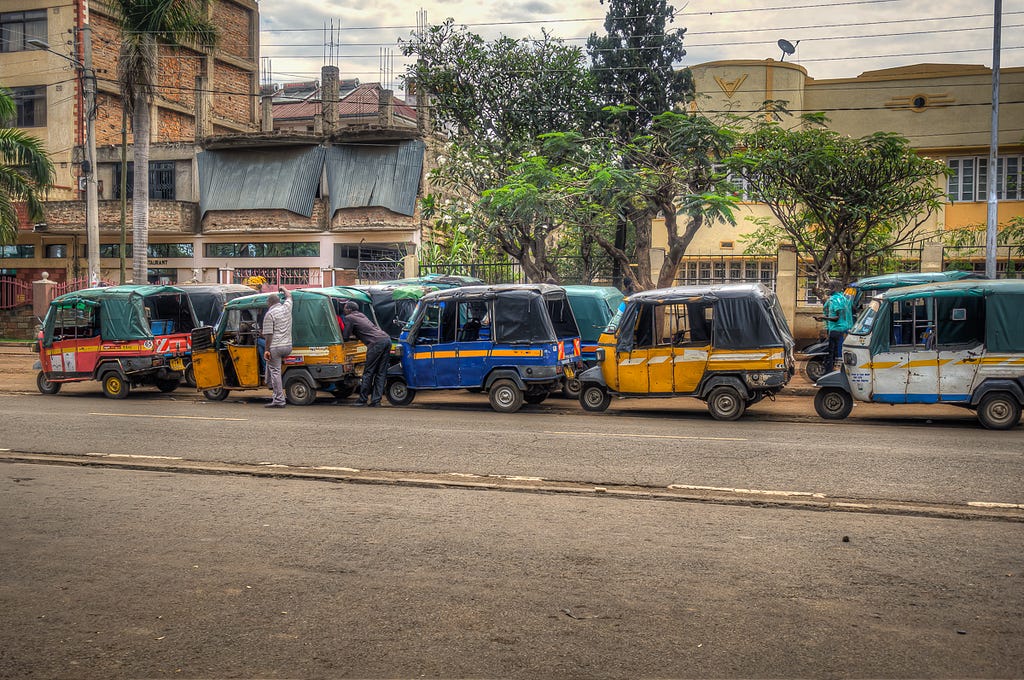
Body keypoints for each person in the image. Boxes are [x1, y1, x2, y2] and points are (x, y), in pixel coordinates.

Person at [342, 300, 391, 406]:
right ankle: (376, 401)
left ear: (349, 310)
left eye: (345, 308)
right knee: (381, 373)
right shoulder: (362, 315)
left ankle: (362, 399)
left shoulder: (349, 318)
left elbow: (345, 337)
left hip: (375, 343)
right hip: (386, 339)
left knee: (368, 372)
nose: (343, 310)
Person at [262, 288, 292, 408]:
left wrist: (266, 350)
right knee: (273, 369)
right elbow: (289, 296)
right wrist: (284, 289)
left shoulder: (269, 314)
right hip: (288, 346)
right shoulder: (286, 307)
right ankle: (271, 387)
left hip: (276, 347)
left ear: (269, 303)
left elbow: (268, 334)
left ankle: (279, 400)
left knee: (275, 372)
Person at [815, 280, 853, 372]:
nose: (828, 289)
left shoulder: (834, 300)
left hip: (836, 329)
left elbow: (836, 317)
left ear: (835, 288)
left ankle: (829, 374)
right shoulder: (843, 298)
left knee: (831, 354)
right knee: (838, 352)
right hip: (844, 328)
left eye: (830, 287)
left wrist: (823, 318)